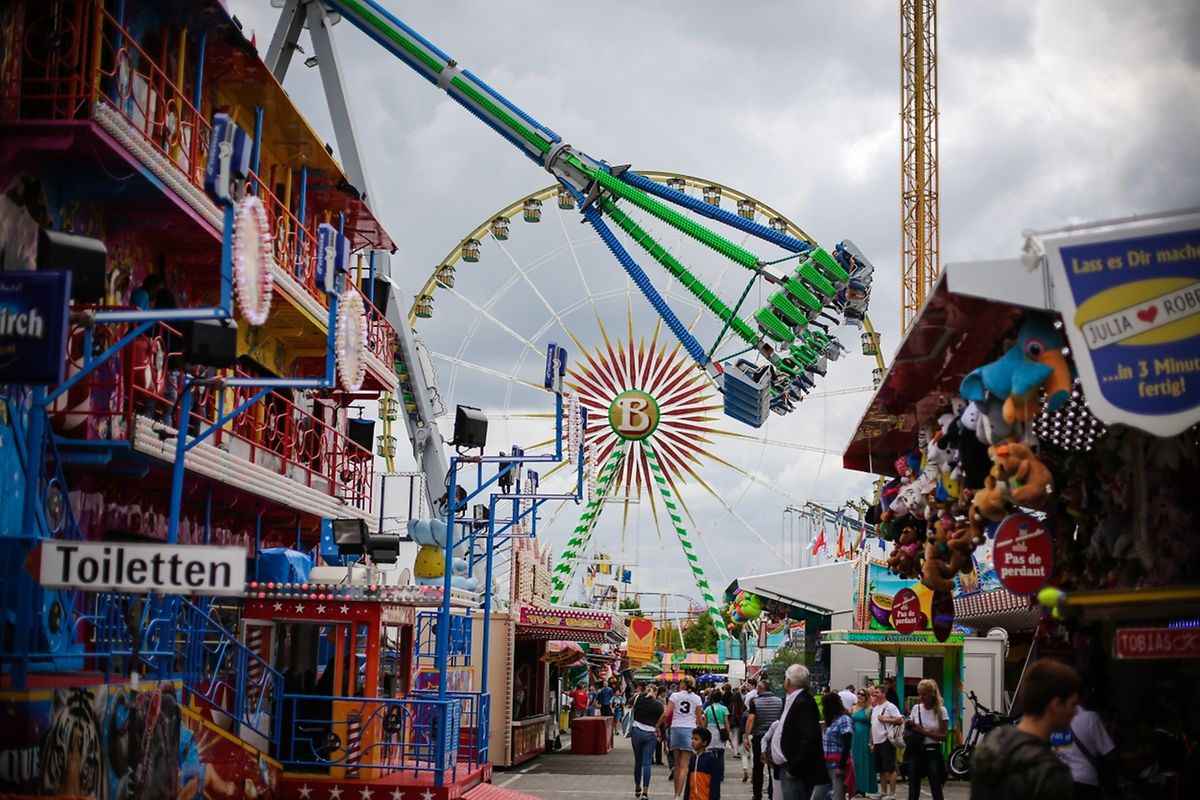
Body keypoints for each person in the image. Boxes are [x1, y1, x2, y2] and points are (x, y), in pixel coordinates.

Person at [971, 659, 1080, 800]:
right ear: (1056, 705)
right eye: (1073, 704)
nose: (1076, 712)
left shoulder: (989, 746)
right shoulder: (1051, 772)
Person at [1052, 694, 1118, 800]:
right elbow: (1110, 753)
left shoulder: (1055, 719)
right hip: (1086, 782)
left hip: (1062, 781)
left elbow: (1057, 752)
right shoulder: (1090, 717)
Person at [777, 664, 826, 800]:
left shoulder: (802, 702)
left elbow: (810, 737)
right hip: (788, 766)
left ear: (788, 681)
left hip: (796, 770)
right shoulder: (793, 700)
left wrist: (794, 767)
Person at [662, 676, 706, 800]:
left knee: (677, 764)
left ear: (683, 684)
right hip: (689, 729)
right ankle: (679, 794)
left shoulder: (674, 696)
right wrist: (703, 732)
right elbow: (699, 718)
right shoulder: (696, 698)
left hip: (675, 728)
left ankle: (676, 793)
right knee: (684, 766)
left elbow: (666, 713)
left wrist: (658, 725)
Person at [903, 679, 947, 800]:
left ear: (932, 694)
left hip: (932, 750)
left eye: (924, 694)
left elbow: (944, 737)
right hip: (916, 750)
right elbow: (911, 727)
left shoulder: (941, 711)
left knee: (936, 786)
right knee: (913, 789)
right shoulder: (916, 708)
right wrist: (908, 725)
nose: (921, 697)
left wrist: (924, 732)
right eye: (919, 693)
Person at [747, 678, 784, 800]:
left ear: (760, 689)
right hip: (775, 738)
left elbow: (751, 719)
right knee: (773, 766)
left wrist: (746, 736)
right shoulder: (779, 702)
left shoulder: (755, 703)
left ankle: (757, 794)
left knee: (758, 766)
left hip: (759, 736)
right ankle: (772, 792)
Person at [630, 684, 665, 800]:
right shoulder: (658, 705)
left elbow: (629, 702)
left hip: (636, 731)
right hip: (650, 733)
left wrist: (638, 695)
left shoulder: (638, 699)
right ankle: (645, 793)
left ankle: (637, 787)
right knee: (647, 764)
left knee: (638, 762)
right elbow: (662, 724)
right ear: (656, 693)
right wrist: (664, 740)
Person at [868, 685, 903, 800]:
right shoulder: (875, 708)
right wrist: (871, 742)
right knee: (881, 768)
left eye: (877, 692)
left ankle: (892, 793)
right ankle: (883, 791)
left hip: (886, 740)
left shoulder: (890, 706)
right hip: (877, 741)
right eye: (874, 692)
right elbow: (872, 726)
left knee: (890, 767)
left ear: (884, 694)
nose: (874, 694)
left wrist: (885, 719)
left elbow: (899, 719)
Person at [821, 692, 854, 800]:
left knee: (837, 795)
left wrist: (841, 766)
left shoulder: (844, 720)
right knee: (819, 795)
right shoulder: (830, 721)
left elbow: (847, 744)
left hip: (837, 763)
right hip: (825, 763)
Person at [850, 688, 878, 798]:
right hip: (854, 737)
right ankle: (854, 787)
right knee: (854, 761)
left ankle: (862, 789)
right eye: (858, 694)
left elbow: (872, 726)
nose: (860, 696)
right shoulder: (854, 708)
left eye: (862, 694)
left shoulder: (870, 709)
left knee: (864, 762)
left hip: (864, 737)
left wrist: (871, 741)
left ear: (866, 697)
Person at [684, 727, 721, 800]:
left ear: (704, 742)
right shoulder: (693, 758)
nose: (692, 741)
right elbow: (688, 781)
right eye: (692, 738)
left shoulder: (711, 759)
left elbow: (715, 783)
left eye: (696, 739)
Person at [704, 690, 731, 783]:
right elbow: (726, 722)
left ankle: (711, 774)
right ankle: (720, 776)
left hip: (710, 731)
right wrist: (729, 734)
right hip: (721, 732)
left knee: (710, 755)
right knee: (720, 756)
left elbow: (705, 723)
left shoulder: (708, 709)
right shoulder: (724, 709)